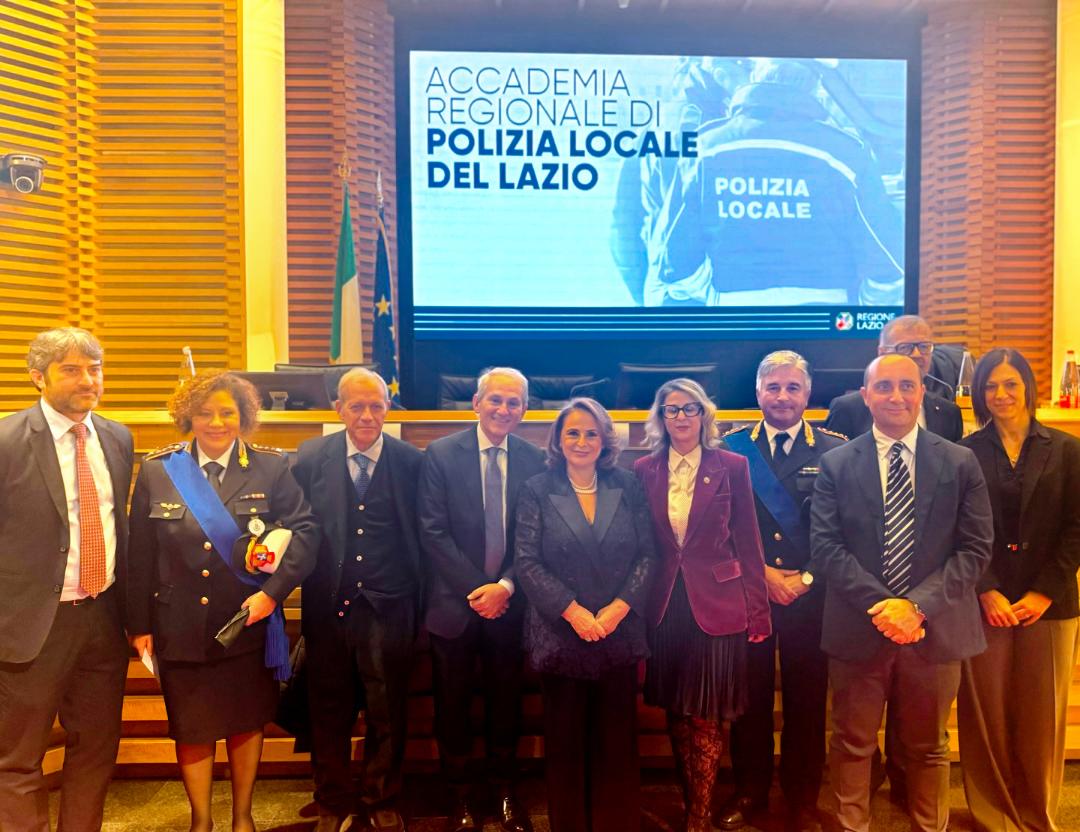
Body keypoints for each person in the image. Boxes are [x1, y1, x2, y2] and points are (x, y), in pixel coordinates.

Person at [127, 371, 318, 832]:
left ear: (243, 416)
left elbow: (306, 533)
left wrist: (272, 595)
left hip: (246, 620)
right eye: (205, 413)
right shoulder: (159, 469)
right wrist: (139, 625)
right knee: (192, 727)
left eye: (227, 413)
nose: (216, 422)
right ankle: (201, 821)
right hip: (179, 624)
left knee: (245, 722)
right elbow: (139, 554)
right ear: (187, 417)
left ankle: (243, 818)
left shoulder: (271, 467)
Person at [810, 354, 993, 832]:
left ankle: (930, 826)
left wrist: (915, 608)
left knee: (929, 747)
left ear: (922, 393)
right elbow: (826, 548)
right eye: (884, 386)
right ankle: (852, 825)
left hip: (936, 629)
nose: (896, 396)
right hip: (858, 627)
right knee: (852, 742)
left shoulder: (960, 461)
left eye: (906, 386)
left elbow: (975, 550)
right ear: (865, 395)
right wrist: (885, 608)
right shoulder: (835, 464)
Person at [0, 327, 134, 832]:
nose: (88, 380)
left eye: (95, 369)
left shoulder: (118, 437)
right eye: (72, 370)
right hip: (31, 625)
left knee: (96, 749)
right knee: (18, 757)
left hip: (103, 618)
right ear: (38, 377)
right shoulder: (6, 440)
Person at [645, 58, 904, 307]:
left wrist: (718, 298)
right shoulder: (846, 153)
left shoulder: (704, 148)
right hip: (825, 316)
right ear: (815, 89)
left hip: (734, 315)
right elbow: (887, 257)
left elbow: (675, 259)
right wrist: (862, 310)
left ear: (755, 79)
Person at [633, 379, 771, 832]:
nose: (681, 417)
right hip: (665, 604)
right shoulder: (644, 469)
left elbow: (748, 541)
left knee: (706, 714)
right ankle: (690, 798)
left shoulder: (731, 465)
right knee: (676, 710)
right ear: (660, 417)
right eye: (671, 410)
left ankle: (699, 815)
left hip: (718, 604)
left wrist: (758, 611)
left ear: (704, 414)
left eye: (690, 408)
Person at [516, 398, 658, 832]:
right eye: (573, 432)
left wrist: (619, 608)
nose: (582, 441)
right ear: (558, 439)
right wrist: (573, 612)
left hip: (617, 632)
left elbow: (648, 554)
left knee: (616, 742)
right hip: (561, 635)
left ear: (605, 440)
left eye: (591, 433)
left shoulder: (628, 484)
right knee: (566, 744)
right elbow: (526, 561)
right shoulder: (537, 488)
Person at [293, 368, 423, 832]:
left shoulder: (411, 461)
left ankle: (381, 795)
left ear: (388, 409)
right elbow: (295, 525)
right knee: (328, 708)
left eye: (376, 406)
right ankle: (332, 798)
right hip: (328, 604)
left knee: (388, 709)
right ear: (339, 409)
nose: (367, 415)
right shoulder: (310, 457)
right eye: (357, 406)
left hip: (391, 605)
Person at [418, 367, 547, 832]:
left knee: (506, 704)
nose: (503, 409)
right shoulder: (440, 454)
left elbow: (535, 536)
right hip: (453, 605)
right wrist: (480, 590)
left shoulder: (534, 459)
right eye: (496, 399)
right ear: (476, 403)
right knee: (452, 705)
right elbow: (432, 531)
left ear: (524, 410)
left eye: (514, 402)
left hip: (510, 605)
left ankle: (504, 791)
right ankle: (459, 796)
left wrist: (504, 588)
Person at [956, 348, 1080, 832]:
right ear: (978, 394)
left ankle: (1035, 813)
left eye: (1010, 383)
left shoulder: (1068, 449)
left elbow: (1076, 527)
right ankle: (993, 815)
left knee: (1041, 714)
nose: (1001, 394)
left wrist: (1044, 591)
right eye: (990, 386)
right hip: (983, 601)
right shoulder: (964, 452)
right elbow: (957, 528)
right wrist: (985, 589)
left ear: (1028, 386)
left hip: (1050, 602)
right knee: (984, 711)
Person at [722, 353, 846, 832]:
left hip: (810, 595)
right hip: (750, 594)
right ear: (758, 393)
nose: (782, 396)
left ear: (807, 394)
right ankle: (750, 792)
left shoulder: (834, 450)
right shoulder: (731, 449)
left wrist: (807, 577)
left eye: (793, 387)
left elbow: (845, 529)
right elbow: (718, 528)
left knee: (807, 701)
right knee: (749, 699)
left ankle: (803, 798)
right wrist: (762, 576)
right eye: (773, 387)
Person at [826, 315, 962, 441]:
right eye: (905, 347)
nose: (917, 354)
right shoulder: (847, 409)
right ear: (882, 352)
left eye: (924, 346)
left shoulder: (948, 413)